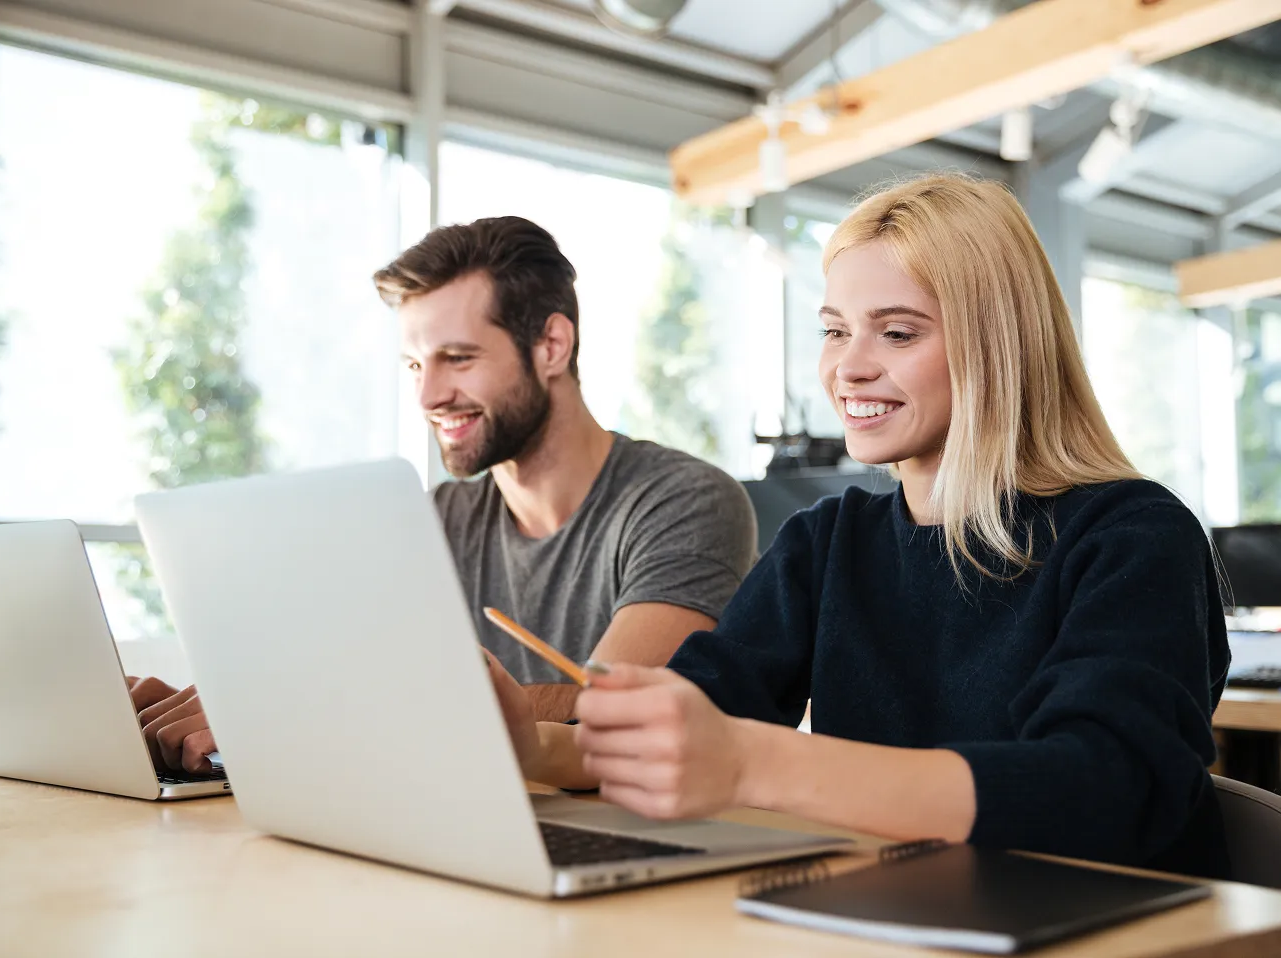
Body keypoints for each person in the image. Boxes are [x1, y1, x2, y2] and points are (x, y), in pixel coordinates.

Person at [485, 174, 1233, 879]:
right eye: (835, 331)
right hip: (893, 912)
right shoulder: (830, 541)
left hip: (1096, 926)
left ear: (998, 346)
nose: (848, 368)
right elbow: (691, 723)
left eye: (898, 334)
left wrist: (756, 764)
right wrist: (534, 744)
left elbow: (1103, 790)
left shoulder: (1134, 535)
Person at [129, 216, 757, 774]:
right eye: (413, 365)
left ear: (551, 346)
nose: (429, 395)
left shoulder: (687, 501)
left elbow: (607, 706)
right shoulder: (435, 519)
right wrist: (235, 700)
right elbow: (338, 671)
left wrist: (347, 705)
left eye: (457, 358)